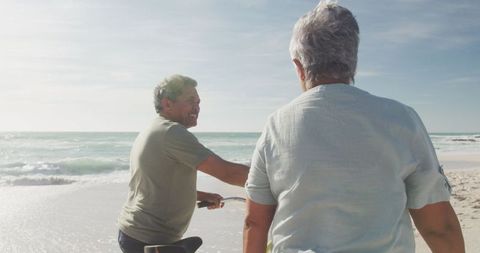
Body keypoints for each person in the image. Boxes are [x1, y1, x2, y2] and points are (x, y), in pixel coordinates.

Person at [243, 1, 465, 253]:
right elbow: (439, 227)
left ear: (299, 67)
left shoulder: (276, 125)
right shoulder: (401, 119)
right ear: (353, 63)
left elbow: (255, 222)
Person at [118, 74, 249, 253]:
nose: (197, 107)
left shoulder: (154, 129)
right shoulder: (172, 132)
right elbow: (228, 172)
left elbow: (157, 186)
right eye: (190, 101)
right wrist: (276, 181)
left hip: (135, 234)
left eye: (198, 102)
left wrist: (202, 195)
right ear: (167, 104)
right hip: (149, 241)